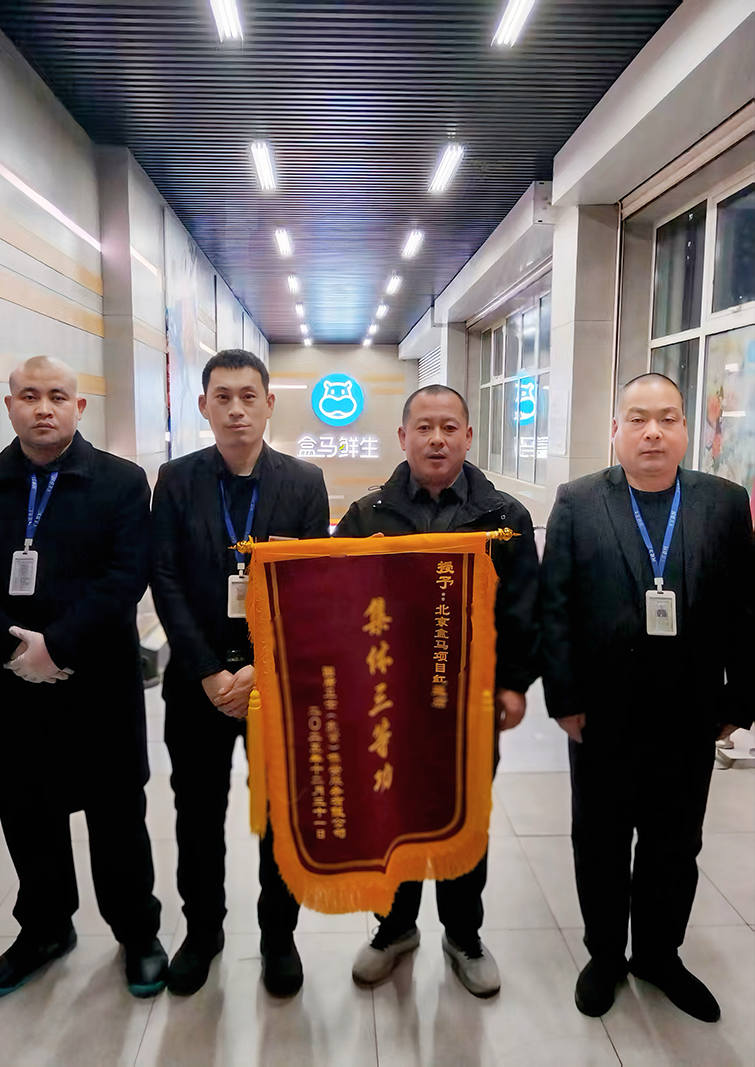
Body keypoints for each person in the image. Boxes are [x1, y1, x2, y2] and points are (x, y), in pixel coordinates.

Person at [540, 372, 754, 1023]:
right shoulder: (579, 501)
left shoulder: (724, 503)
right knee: (599, 840)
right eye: (637, 419)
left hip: (691, 713)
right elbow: (556, 607)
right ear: (616, 430)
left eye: (667, 418)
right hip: (602, 713)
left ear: (686, 428)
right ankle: (605, 955)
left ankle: (660, 955)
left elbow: (746, 610)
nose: (652, 432)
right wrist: (564, 698)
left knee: (675, 844)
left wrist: (737, 702)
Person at [0, 356, 167, 1000]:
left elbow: (126, 576)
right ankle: (45, 929)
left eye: (56, 396)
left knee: (116, 815)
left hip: (98, 679)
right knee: (27, 813)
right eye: (29, 396)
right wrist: (11, 647)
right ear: (10, 406)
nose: (42, 408)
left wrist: (59, 646)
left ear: (79, 407)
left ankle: (137, 932)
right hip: (10, 681)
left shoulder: (121, 482)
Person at [336, 384, 539, 998]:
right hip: (390, 705)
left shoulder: (505, 518)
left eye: (449, 427)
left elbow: (524, 612)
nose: (436, 439)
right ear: (403, 437)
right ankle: (395, 928)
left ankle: (463, 934)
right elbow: (337, 606)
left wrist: (513, 685)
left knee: (464, 820)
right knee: (392, 818)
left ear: (468, 437)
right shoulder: (367, 516)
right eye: (423, 427)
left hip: (470, 706)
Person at [151, 349, 329, 997]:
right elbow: (164, 578)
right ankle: (203, 932)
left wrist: (260, 667)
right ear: (203, 405)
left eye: (248, 396)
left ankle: (278, 935)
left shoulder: (304, 482)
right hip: (195, 684)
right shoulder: (176, 479)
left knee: (281, 812)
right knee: (197, 813)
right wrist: (207, 670)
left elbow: (309, 587)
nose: (235, 410)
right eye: (222, 397)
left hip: (277, 683)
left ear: (269, 403)